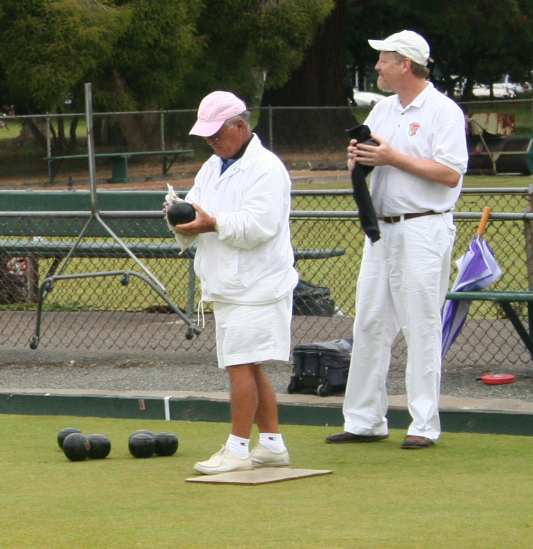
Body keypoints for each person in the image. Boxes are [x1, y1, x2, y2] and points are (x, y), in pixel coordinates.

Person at [326, 31, 468, 449]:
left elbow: (450, 173)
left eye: (383, 59)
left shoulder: (444, 111)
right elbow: (374, 159)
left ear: (405, 63)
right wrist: (361, 159)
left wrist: (392, 158)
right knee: (369, 321)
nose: (377, 67)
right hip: (381, 230)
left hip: (423, 227)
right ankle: (365, 420)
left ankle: (424, 424)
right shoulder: (383, 109)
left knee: (421, 323)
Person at [164, 91, 299, 473]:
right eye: (206, 136)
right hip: (227, 282)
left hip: (258, 283)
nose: (211, 141)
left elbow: (260, 225)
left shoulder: (267, 169)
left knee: (239, 366)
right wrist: (181, 218)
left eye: (217, 134)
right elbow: (197, 212)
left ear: (240, 126)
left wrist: (213, 223)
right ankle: (271, 445)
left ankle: (238, 448)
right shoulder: (211, 166)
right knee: (250, 366)